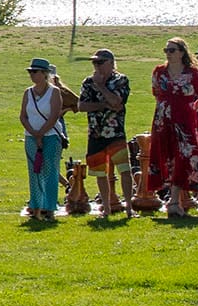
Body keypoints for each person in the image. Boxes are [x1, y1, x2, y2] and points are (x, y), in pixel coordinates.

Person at [147, 38, 198, 217]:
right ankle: (173, 199)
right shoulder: (159, 71)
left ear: (181, 52)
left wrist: (190, 111)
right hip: (163, 121)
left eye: (172, 50)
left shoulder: (192, 73)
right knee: (166, 156)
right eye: (166, 50)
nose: (168, 54)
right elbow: (157, 93)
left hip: (185, 122)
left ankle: (175, 200)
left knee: (184, 157)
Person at [77, 49, 133, 216]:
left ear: (110, 63)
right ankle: (107, 208)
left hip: (115, 132)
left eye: (100, 62)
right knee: (100, 172)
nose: (97, 66)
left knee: (124, 170)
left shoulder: (121, 80)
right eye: (94, 63)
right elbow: (81, 106)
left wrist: (100, 87)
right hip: (96, 133)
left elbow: (117, 102)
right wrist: (103, 104)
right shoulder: (88, 82)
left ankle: (129, 206)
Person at [19, 58, 68, 220]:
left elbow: (54, 116)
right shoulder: (28, 92)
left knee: (50, 172)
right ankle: (36, 207)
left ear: (44, 74)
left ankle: (50, 209)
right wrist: (33, 133)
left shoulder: (54, 92)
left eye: (35, 72)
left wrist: (41, 134)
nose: (32, 75)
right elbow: (23, 116)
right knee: (34, 172)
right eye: (30, 72)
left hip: (51, 136)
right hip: (31, 137)